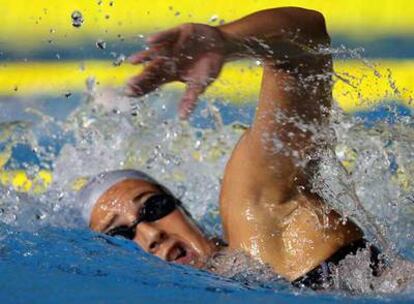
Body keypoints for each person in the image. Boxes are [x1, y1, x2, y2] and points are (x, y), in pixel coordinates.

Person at [80, 7, 380, 289]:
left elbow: (306, 38)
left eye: (153, 207)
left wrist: (226, 41)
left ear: (183, 208)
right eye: (120, 235)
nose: (152, 234)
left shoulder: (261, 224)